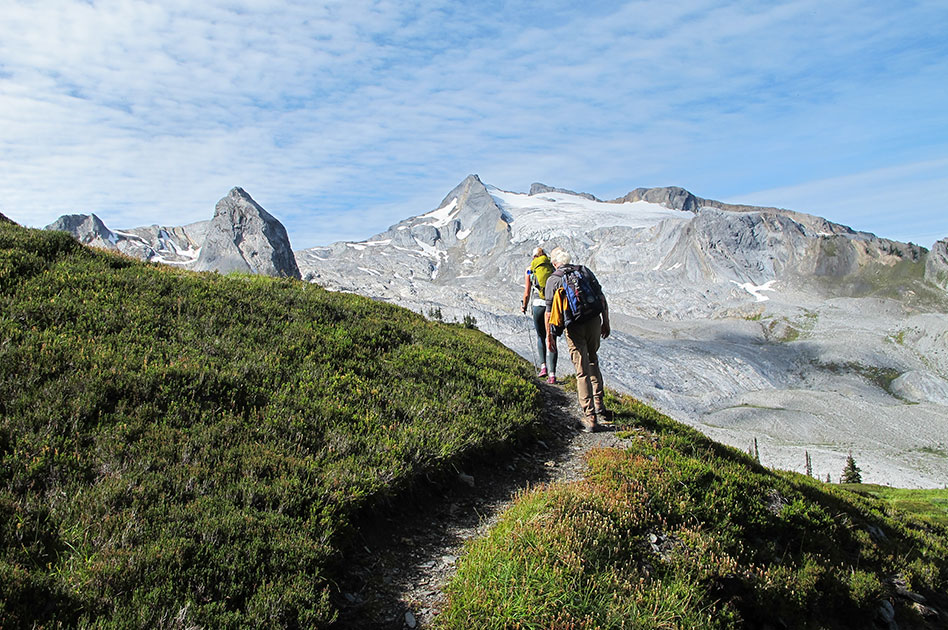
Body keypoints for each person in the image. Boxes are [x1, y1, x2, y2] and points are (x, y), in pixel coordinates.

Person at [544, 247, 611, 432]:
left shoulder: (553, 280)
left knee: (581, 371)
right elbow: (601, 298)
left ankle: (590, 418)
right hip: (593, 321)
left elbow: (549, 313)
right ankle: (599, 405)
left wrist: (550, 337)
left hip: (574, 327)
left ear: (555, 263)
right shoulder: (583, 271)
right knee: (593, 360)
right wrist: (606, 321)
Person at [521, 247, 558, 384]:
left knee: (540, 336)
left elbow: (526, 292)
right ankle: (553, 375)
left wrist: (524, 306)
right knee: (552, 337)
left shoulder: (530, 269)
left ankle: (543, 367)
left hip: (537, 305)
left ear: (533, 257)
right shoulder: (552, 268)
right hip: (551, 306)